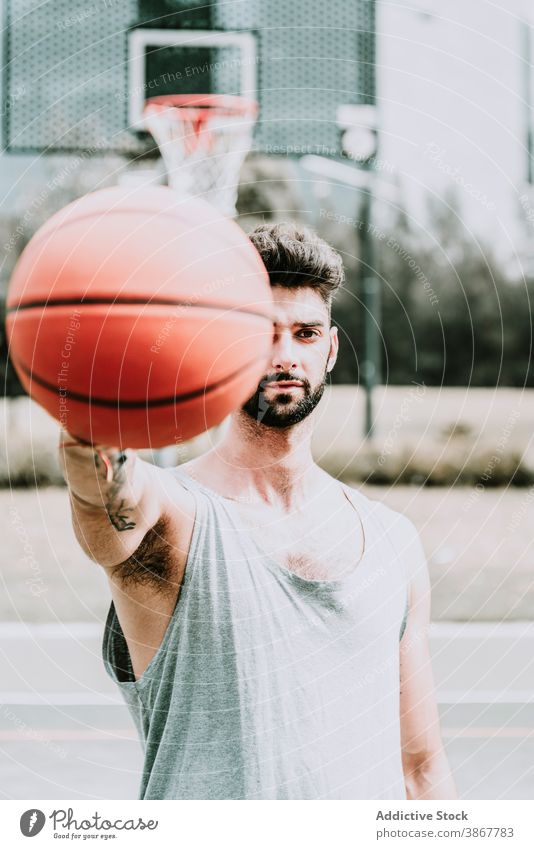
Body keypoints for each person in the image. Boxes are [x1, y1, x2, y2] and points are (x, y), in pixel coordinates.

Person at [59, 222, 456, 801]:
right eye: (259, 333)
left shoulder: (392, 542)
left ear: (332, 348)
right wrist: (91, 412)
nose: (284, 354)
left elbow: (421, 769)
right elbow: (105, 498)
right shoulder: (174, 515)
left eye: (304, 333)